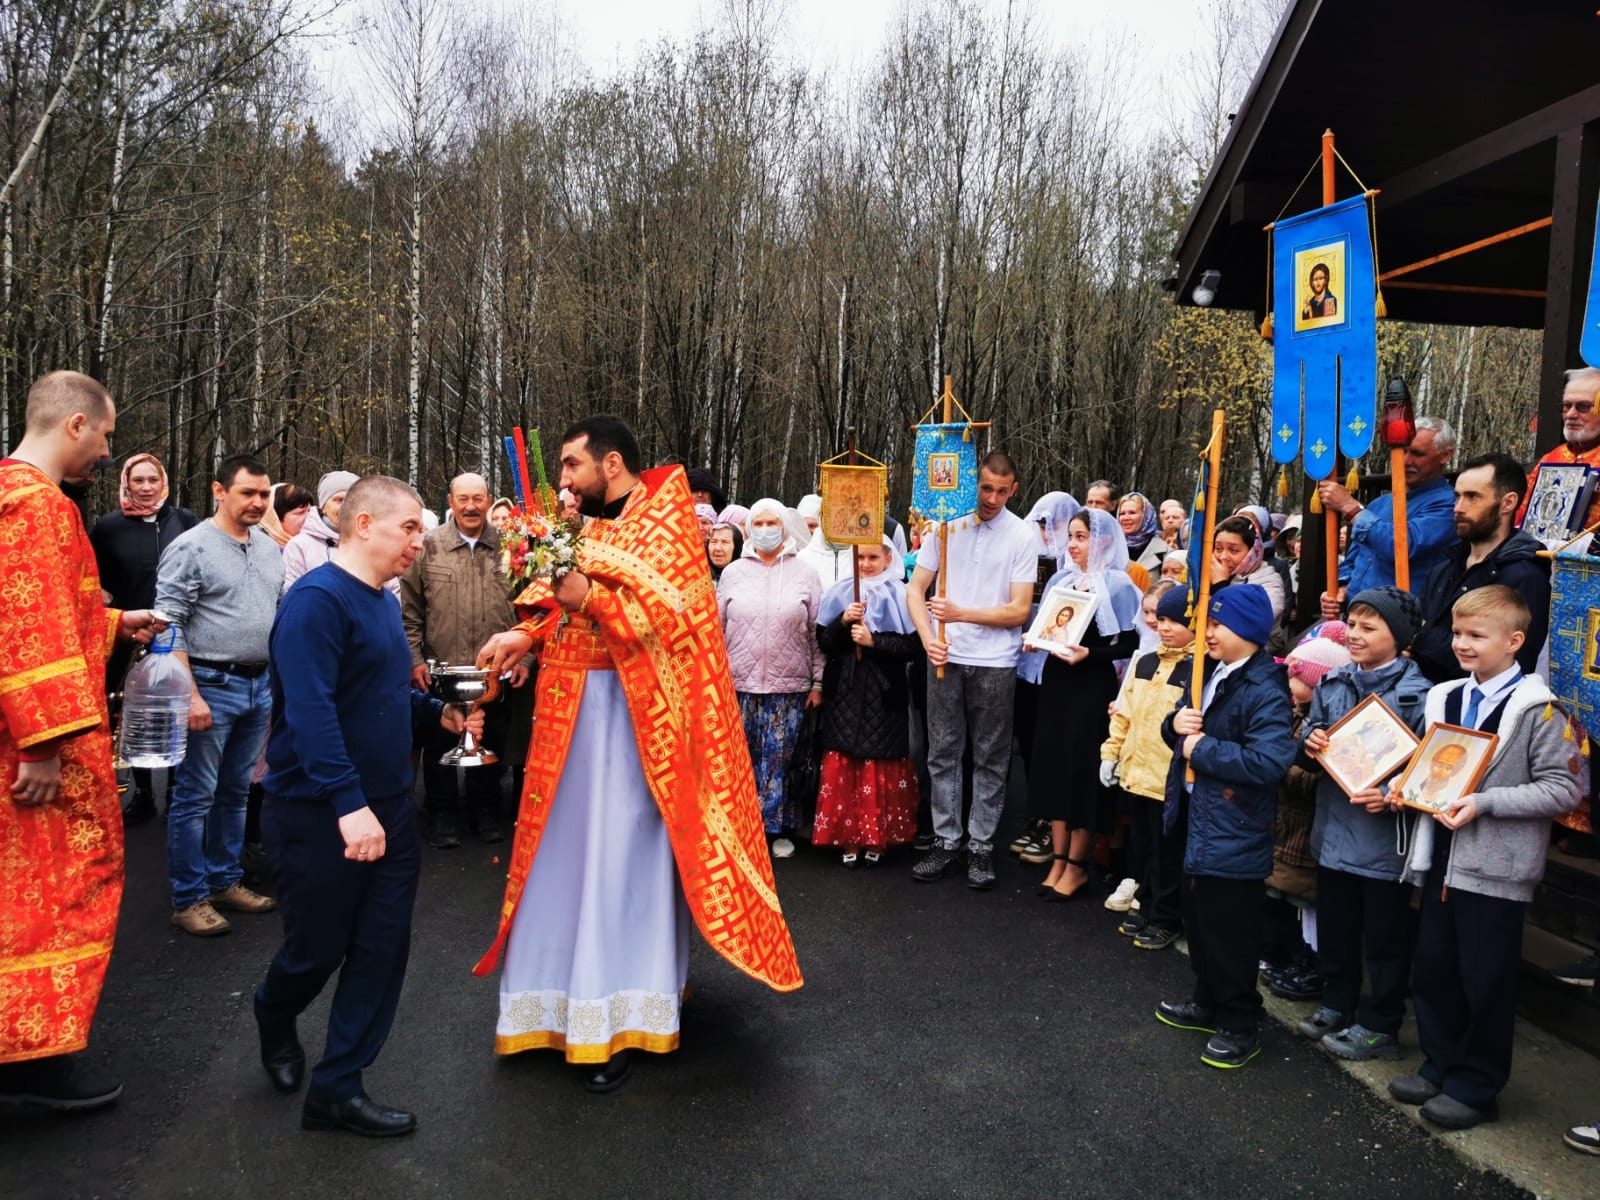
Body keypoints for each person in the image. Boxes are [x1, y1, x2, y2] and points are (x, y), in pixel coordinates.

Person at [473, 416, 802, 1093]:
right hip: (566, 724)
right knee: (559, 861)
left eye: (572, 465)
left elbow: (675, 618)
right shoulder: (581, 526)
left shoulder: (666, 522)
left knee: (618, 861)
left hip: (631, 730)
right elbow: (559, 609)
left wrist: (592, 596)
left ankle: (614, 1017)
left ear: (611, 463)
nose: (564, 480)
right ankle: (551, 1004)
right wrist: (525, 636)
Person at [252, 476, 481, 1138]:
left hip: (388, 808)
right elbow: (313, 712)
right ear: (362, 525)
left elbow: (381, 692)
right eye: (408, 528)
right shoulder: (316, 603)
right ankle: (274, 1009)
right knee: (317, 950)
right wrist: (348, 805)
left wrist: (438, 715)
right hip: (319, 812)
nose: (419, 541)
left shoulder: (382, 599)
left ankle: (338, 1087)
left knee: (381, 948)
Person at [0, 371, 163, 1112]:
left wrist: (115, 624)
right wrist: (42, 745)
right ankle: (33, 1056)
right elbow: (26, 630)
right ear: (74, 424)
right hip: (39, 751)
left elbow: (56, 612)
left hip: (31, 737)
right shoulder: (37, 507)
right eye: (104, 435)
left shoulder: (14, 495)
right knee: (52, 896)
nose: (105, 451)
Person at [1387, 585, 1585, 1130]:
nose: (1462, 644)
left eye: (1477, 635)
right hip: (1441, 855)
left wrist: (1486, 802)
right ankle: (1439, 1064)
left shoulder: (1541, 710)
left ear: (1515, 642)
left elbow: (1564, 790)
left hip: (1496, 867)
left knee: (1485, 981)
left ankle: (1476, 1085)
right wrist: (1406, 789)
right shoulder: (1444, 697)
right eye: (1457, 633)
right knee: (1435, 970)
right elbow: (1430, 768)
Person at [1156, 584, 1297, 1069]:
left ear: (1250, 631)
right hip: (1197, 816)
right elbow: (1183, 729)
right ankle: (1207, 999)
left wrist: (1202, 750)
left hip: (1235, 825)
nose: (1208, 633)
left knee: (1230, 929)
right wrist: (1174, 726)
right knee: (1199, 920)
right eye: (1207, 624)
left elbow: (1270, 761)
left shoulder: (1265, 688)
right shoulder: (1208, 671)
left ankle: (1240, 1021)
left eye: (1218, 625)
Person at [1295, 586, 1431, 1060]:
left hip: (1383, 840)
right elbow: (1311, 741)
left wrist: (1394, 793)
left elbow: (1429, 771)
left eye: (1369, 628)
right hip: (1333, 828)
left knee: (1385, 938)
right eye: (1352, 624)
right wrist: (1310, 740)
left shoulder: (1420, 696)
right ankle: (1337, 1000)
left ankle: (1381, 1022)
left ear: (1399, 637)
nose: (1354, 634)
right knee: (1337, 926)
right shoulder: (1334, 682)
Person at [156, 455, 283, 936]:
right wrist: (188, 695)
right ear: (219, 491)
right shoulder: (192, 548)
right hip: (209, 684)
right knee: (195, 795)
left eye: (264, 494)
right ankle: (188, 897)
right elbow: (168, 623)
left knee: (237, 791)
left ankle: (224, 880)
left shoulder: (268, 547)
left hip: (259, 684)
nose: (257, 502)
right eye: (247, 492)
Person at [906, 452, 1038, 890]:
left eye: (1002, 491)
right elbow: (916, 590)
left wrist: (961, 613)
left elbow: (1019, 610)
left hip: (995, 661)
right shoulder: (945, 527)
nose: (992, 498)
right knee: (943, 751)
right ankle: (946, 840)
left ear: (1013, 490)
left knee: (990, 756)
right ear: (974, 483)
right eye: (985, 488)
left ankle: (980, 845)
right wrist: (928, 639)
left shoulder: (1022, 535)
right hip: (945, 655)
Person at [401, 472, 531, 849]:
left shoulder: (514, 546)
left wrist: (526, 659)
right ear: (450, 501)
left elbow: (532, 609)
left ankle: (485, 810)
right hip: (443, 672)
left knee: (491, 738)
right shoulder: (428, 547)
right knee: (440, 742)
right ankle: (442, 813)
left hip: (496, 671)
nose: (471, 506)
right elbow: (411, 612)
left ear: (489, 501)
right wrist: (414, 658)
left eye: (478, 498)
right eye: (463, 499)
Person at [1031, 508, 1141, 900]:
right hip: (1057, 683)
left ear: (1104, 541)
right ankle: (1058, 860)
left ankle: (1077, 867)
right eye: (1072, 537)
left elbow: (1130, 642)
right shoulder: (1061, 580)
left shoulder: (1118, 584)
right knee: (1056, 768)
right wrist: (1037, 640)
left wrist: (1089, 655)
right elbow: (1049, 626)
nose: (1073, 545)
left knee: (1081, 771)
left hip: (1091, 684)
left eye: (1082, 537)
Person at [89, 451, 199, 824]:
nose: (147, 487)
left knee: (177, 711)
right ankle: (143, 793)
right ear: (126, 483)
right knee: (134, 712)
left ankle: (175, 792)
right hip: (127, 632)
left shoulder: (183, 520)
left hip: (177, 633)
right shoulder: (108, 527)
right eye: (139, 480)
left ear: (163, 481)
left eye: (153, 479)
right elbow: (94, 579)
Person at [718, 498, 824, 857]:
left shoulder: (805, 572)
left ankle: (779, 829)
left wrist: (818, 682)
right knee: (743, 759)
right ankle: (743, 828)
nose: (765, 530)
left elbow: (816, 632)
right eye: (758, 523)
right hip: (739, 684)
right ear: (749, 529)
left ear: (784, 526)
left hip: (790, 685)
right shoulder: (733, 573)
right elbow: (717, 630)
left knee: (780, 759)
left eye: (771, 522)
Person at [811, 538, 920, 866]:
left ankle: (878, 836)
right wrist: (843, 622)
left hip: (884, 693)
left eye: (874, 557)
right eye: (861, 558)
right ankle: (846, 836)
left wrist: (875, 641)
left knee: (879, 763)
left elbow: (912, 647)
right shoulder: (840, 590)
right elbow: (824, 642)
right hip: (845, 691)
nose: (866, 564)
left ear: (888, 558)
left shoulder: (901, 594)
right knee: (845, 761)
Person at [1101, 584, 1194, 950]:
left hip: (1168, 778)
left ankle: (1166, 917)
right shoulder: (1145, 661)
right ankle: (1147, 903)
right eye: (1161, 618)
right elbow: (1124, 713)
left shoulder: (1197, 668)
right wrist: (1111, 753)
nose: (1164, 626)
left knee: (1168, 852)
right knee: (1143, 847)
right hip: (1136, 773)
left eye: (1176, 621)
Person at [1262, 635, 1354, 1003]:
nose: (1287, 682)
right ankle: (1282, 956)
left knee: (1305, 904)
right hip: (1285, 826)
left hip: (1303, 828)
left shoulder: (1321, 726)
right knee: (1281, 895)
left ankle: (1307, 962)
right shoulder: (1295, 716)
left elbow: (1311, 776)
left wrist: (1277, 765)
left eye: (1294, 677)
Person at [1414, 453, 1549, 684]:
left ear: (1507, 503)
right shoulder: (1445, 566)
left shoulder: (1525, 575)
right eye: (1457, 496)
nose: (1458, 508)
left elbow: (1508, 665)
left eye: (1473, 497)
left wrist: (1421, 639)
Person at [1317, 418, 1458, 615]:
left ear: (1445, 455)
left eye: (1417, 453)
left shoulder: (1450, 505)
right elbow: (1355, 558)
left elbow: (1402, 545)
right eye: (1402, 452)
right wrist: (1342, 586)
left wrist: (1351, 508)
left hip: (1402, 620)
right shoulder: (1379, 504)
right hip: (1357, 615)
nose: (1406, 461)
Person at [1519, 366, 1600, 535]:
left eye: (1583, 406)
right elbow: (1521, 516)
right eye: (1566, 406)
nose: (1570, 414)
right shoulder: (1551, 459)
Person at [1210, 513, 1287, 643]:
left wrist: (1220, 586)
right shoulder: (1208, 575)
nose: (1223, 557)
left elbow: (1254, 622)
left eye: (1233, 550)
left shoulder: (1269, 580)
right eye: (1218, 549)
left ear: (1252, 551)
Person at [282, 470, 358, 592]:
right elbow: (291, 593)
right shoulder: (300, 546)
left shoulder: (371, 542)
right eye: (339, 500)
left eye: (353, 500)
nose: (346, 506)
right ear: (323, 507)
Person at [1116, 491, 1169, 571]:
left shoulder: (1165, 552)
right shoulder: (1111, 549)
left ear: (1146, 516)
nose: (1126, 518)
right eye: (1122, 514)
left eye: (1132, 513)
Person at [260, 482, 315, 549]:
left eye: (310, 511)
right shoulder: (258, 552)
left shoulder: (318, 549)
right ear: (274, 518)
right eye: (300, 512)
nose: (310, 517)